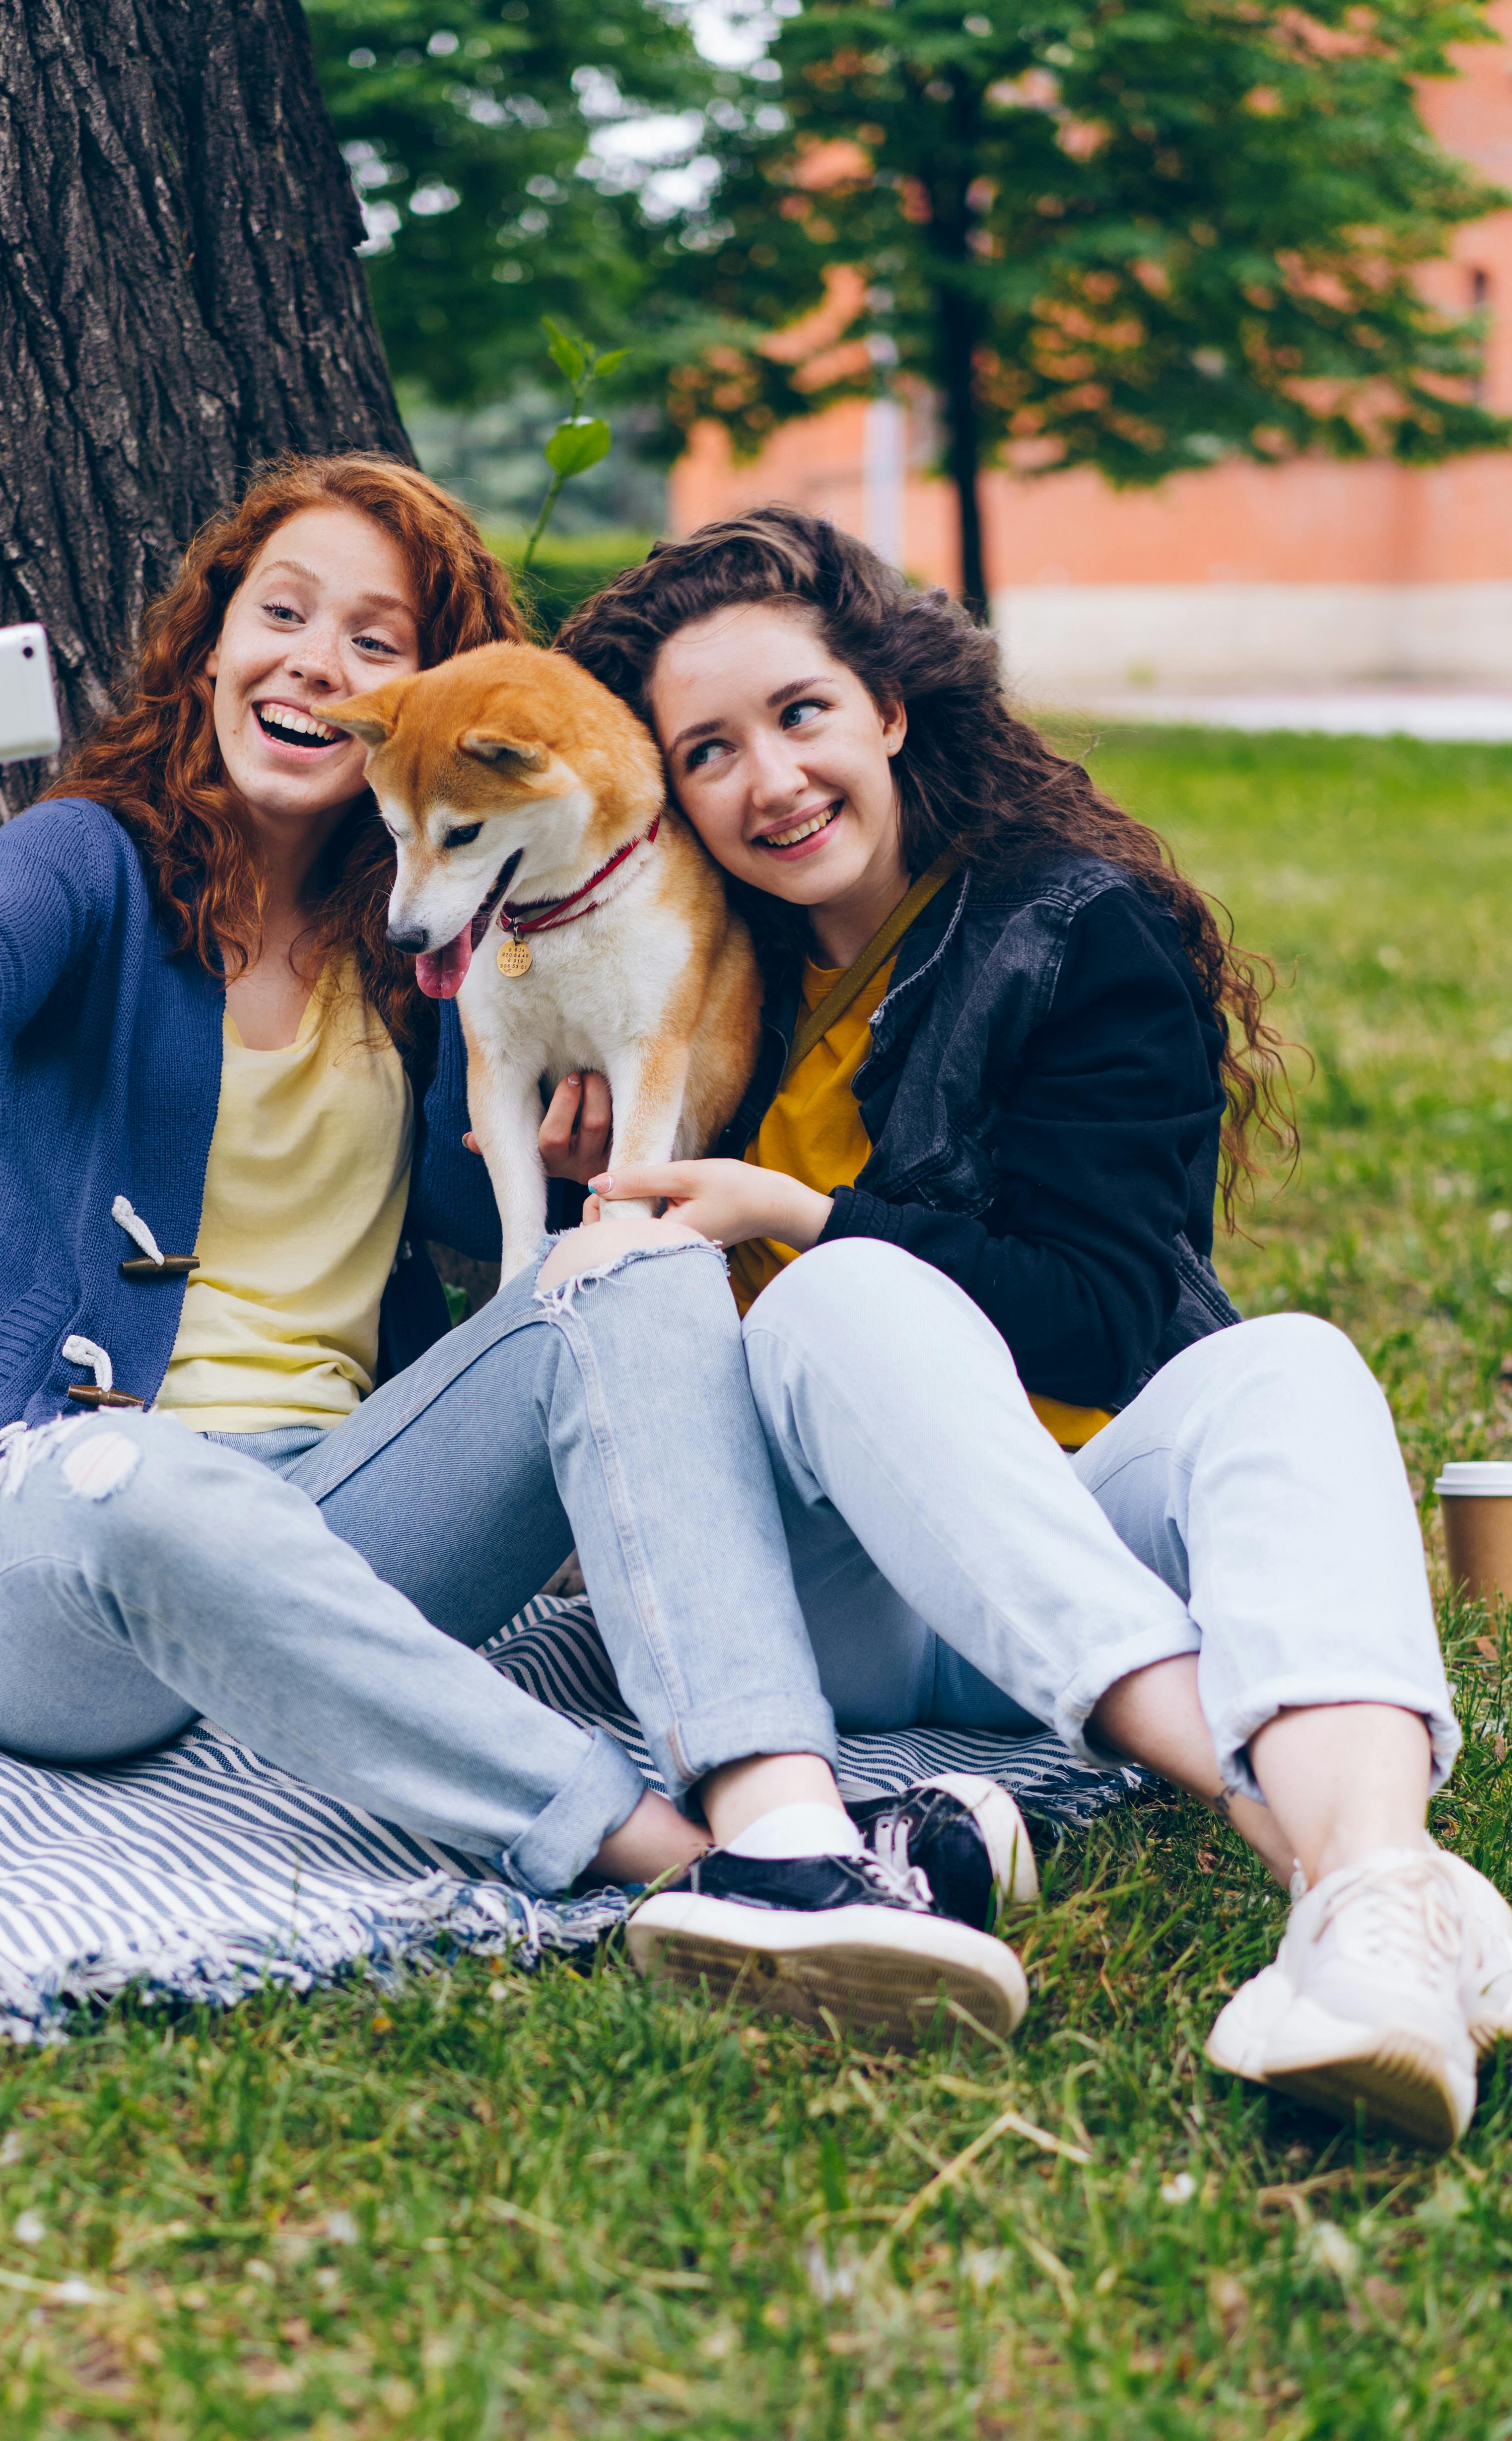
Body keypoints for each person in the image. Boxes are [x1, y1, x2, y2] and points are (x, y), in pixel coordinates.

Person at [0, 456, 1031, 2039]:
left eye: (374, 639)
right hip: (51, 1543)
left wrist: (564, 1166)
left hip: (332, 1505)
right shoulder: (94, 858)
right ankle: (662, 1857)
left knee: (633, 1265)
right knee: (139, 1481)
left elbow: (464, 1216)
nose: (316, 662)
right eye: (280, 613)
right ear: (212, 645)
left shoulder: (430, 928)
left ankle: (786, 1829)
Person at [558, 505, 1512, 2151]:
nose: (770, 781)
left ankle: (1373, 1907)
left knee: (1292, 1361)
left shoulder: (1071, 933)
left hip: (1065, 1525)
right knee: (839, 1310)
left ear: (890, 710)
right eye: (705, 753)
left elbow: (1109, 1311)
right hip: (829, 1587)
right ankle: (1307, 1846)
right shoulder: (692, 975)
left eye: (799, 716)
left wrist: (804, 1216)